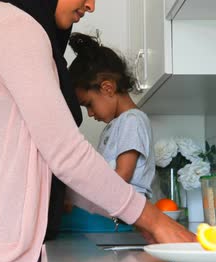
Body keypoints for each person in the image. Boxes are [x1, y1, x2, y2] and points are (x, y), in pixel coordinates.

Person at [0, 0, 196, 262]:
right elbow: (65, 153)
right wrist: (155, 220)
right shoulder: (14, 26)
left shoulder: (5, 22)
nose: (91, 5)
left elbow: (52, 166)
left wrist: (141, 220)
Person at [62, 33, 155, 232]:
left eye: (88, 104)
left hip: (124, 219)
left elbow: (123, 175)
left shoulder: (133, 121)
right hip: (115, 214)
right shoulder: (117, 125)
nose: (90, 113)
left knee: (58, 223)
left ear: (107, 88)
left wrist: (82, 198)